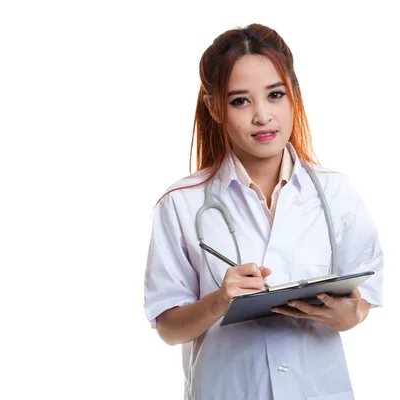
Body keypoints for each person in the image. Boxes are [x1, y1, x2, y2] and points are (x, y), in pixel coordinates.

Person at [143, 23, 384, 400]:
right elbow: (169, 328)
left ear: (293, 95)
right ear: (214, 107)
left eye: (275, 95)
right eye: (240, 100)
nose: (262, 116)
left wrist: (349, 316)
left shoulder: (336, 192)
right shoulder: (181, 203)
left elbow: (362, 299)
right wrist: (219, 301)